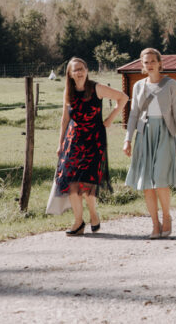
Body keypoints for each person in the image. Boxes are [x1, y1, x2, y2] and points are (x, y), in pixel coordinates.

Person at [47, 57, 129, 236]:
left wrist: (109, 119)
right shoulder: (68, 92)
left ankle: (93, 214)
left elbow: (123, 98)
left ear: (86, 70)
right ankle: (78, 222)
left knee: (88, 182)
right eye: (75, 69)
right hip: (73, 141)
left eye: (81, 68)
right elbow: (65, 119)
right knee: (71, 182)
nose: (79, 72)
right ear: (69, 73)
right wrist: (60, 144)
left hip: (94, 140)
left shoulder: (96, 88)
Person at [124, 48, 176, 238]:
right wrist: (127, 139)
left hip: (165, 133)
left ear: (160, 63)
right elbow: (134, 114)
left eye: (153, 61)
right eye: (146, 62)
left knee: (160, 178)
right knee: (146, 182)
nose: (150, 65)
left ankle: (167, 217)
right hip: (144, 134)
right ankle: (154, 223)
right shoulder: (138, 86)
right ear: (142, 65)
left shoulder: (170, 84)